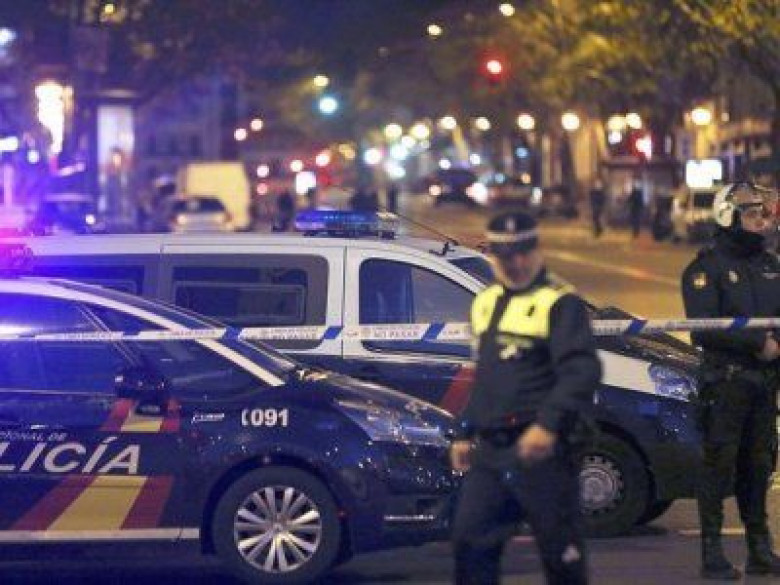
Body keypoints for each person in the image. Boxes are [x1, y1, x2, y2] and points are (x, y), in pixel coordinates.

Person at [450, 211, 601, 585]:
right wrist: (465, 431)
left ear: (536, 250)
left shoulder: (559, 302)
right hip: (492, 451)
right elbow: (486, 376)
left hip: (544, 453)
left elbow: (581, 372)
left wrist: (547, 426)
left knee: (561, 556)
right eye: (505, 257)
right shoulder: (486, 302)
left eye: (522, 254)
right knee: (470, 541)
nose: (514, 264)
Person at [681, 181, 780, 579]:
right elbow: (704, 328)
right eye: (752, 214)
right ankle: (712, 553)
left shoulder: (770, 265)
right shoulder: (705, 268)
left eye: (762, 214)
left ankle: (759, 549)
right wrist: (758, 343)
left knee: (759, 466)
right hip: (726, 384)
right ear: (729, 216)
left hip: (764, 383)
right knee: (718, 467)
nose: (761, 222)